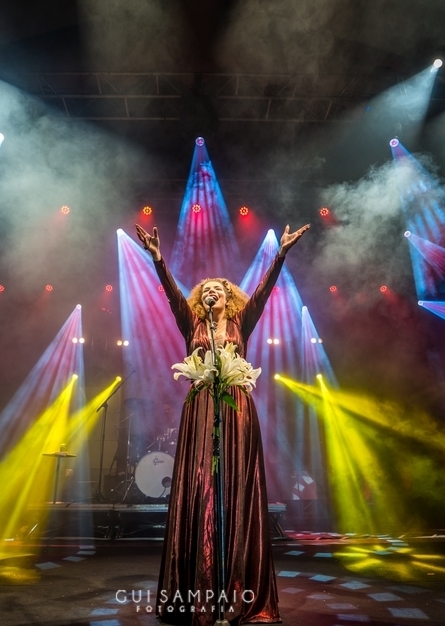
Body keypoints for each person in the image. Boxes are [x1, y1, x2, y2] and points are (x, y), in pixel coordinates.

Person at [136, 223, 309, 625]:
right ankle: (198, 582)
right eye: (206, 289)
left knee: (233, 484)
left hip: (235, 407)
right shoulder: (192, 324)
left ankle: (235, 585)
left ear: (228, 299)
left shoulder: (240, 323)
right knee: (201, 484)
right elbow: (173, 295)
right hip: (200, 407)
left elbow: (262, 292)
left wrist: (280, 254)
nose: (211, 291)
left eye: (218, 289)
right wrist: (158, 258)